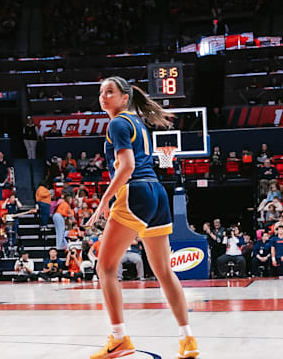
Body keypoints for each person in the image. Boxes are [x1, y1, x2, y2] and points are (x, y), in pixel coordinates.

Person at [85, 76, 198, 359]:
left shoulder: (118, 123)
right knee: (163, 271)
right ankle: (187, 339)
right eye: (101, 92)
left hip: (135, 191)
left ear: (125, 97)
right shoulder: (138, 123)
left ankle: (119, 338)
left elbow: (127, 166)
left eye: (109, 92)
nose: (103, 96)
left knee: (106, 268)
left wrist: (104, 199)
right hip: (157, 193)